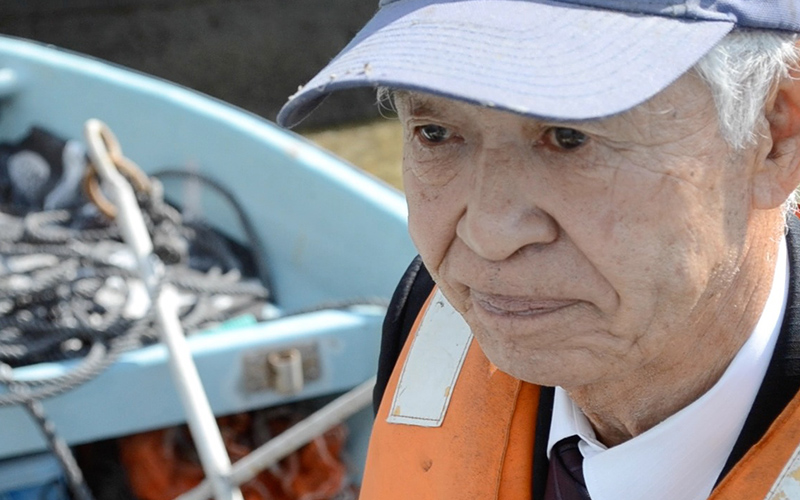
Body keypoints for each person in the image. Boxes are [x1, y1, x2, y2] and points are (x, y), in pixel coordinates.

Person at [279, 1, 800, 498]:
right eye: (435, 133)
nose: (487, 233)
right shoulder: (428, 318)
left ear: (774, 138)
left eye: (570, 138)